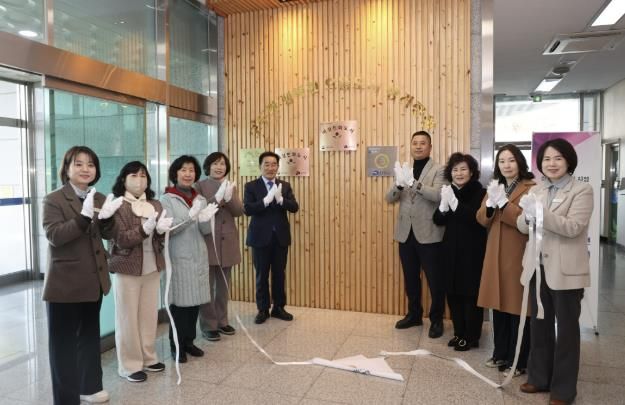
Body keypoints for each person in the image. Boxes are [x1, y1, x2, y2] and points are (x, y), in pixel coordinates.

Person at [42, 146, 123, 404]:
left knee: (88, 337)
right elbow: (55, 236)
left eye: (90, 164)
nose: (85, 169)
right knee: (63, 345)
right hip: (64, 284)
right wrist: (83, 217)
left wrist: (107, 219)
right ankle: (65, 398)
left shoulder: (98, 198)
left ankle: (89, 386)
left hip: (93, 281)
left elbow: (109, 234)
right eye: (78, 164)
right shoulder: (54, 199)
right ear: (66, 168)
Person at [517, 139, 592, 405]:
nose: (552, 163)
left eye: (558, 158)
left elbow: (573, 227)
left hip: (565, 272)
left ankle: (563, 390)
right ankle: (539, 378)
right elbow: (522, 226)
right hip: (537, 268)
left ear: (569, 161)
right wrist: (528, 216)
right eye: (547, 159)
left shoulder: (581, 190)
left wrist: (541, 214)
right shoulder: (537, 189)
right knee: (539, 327)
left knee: (567, 333)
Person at [108, 161, 173, 382]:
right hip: (127, 268)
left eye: (143, 176)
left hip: (152, 267)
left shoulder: (155, 204)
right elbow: (121, 239)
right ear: (123, 179)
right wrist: (144, 230)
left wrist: (161, 232)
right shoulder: (118, 205)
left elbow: (160, 239)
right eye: (134, 176)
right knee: (127, 318)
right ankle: (129, 365)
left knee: (148, 315)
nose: (139, 180)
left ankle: (148, 357)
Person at [476, 144, 535, 377]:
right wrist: (490, 206)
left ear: (519, 162)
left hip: (517, 253)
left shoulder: (531, 187)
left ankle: (518, 360)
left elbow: (526, 221)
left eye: (511, 160)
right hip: (495, 253)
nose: (506, 165)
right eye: (502, 161)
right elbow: (481, 219)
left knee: (518, 309)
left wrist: (504, 204)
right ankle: (500, 353)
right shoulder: (495, 186)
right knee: (498, 305)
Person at [385, 130, 446, 338]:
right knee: (410, 278)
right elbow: (389, 198)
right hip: (405, 233)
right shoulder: (405, 169)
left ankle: (436, 320)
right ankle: (414, 314)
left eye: (422, 143)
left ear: (430, 147)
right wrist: (399, 184)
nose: (418, 146)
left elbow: (438, 195)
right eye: (415, 143)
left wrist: (414, 183)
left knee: (435, 280)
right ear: (411, 146)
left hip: (429, 233)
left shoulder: (439, 169)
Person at [160, 155, 218, 363]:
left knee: (194, 303)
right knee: (179, 305)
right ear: (175, 173)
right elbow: (170, 229)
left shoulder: (200, 199)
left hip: (198, 255)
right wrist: (189, 216)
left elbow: (205, 231)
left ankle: (189, 341)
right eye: (183, 170)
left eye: (191, 170)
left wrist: (206, 219)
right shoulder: (166, 199)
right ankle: (176, 346)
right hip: (178, 256)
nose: (188, 174)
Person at [433, 153, 487, 350]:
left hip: (472, 252)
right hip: (450, 251)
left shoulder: (480, 192)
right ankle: (458, 333)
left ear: (471, 172)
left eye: (463, 169)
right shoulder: (449, 191)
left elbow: (476, 219)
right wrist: (443, 207)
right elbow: (438, 220)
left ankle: (471, 337)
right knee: (453, 293)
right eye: (455, 170)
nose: (459, 173)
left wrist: (455, 205)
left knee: (470, 295)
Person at [243, 151, 299, 324]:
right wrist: (265, 201)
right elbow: (248, 209)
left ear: (278, 167)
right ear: (260, 166)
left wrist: (281, 200)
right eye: (266, 164)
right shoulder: (251, 186)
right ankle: (263, 309)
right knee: (261, 275)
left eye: (274, 164)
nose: (270, 168)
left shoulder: (285, 185)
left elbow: (294, 207)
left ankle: (279, 308)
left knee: (279, 274)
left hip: (280, 237)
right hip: (260, 237)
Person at [196, 152, 243, 341]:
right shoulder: (199, 186)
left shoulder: (231, 185)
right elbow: (200, 211)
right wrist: (217, 198)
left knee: (223, 286)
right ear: (208, 167)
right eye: (215, 163)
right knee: (207, 287)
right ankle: (209, 325)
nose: (219, 167)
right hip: (208, 240)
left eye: (222, 164)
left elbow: (238, 211)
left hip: (227, 241)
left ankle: (222, 321)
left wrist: (230, 197)